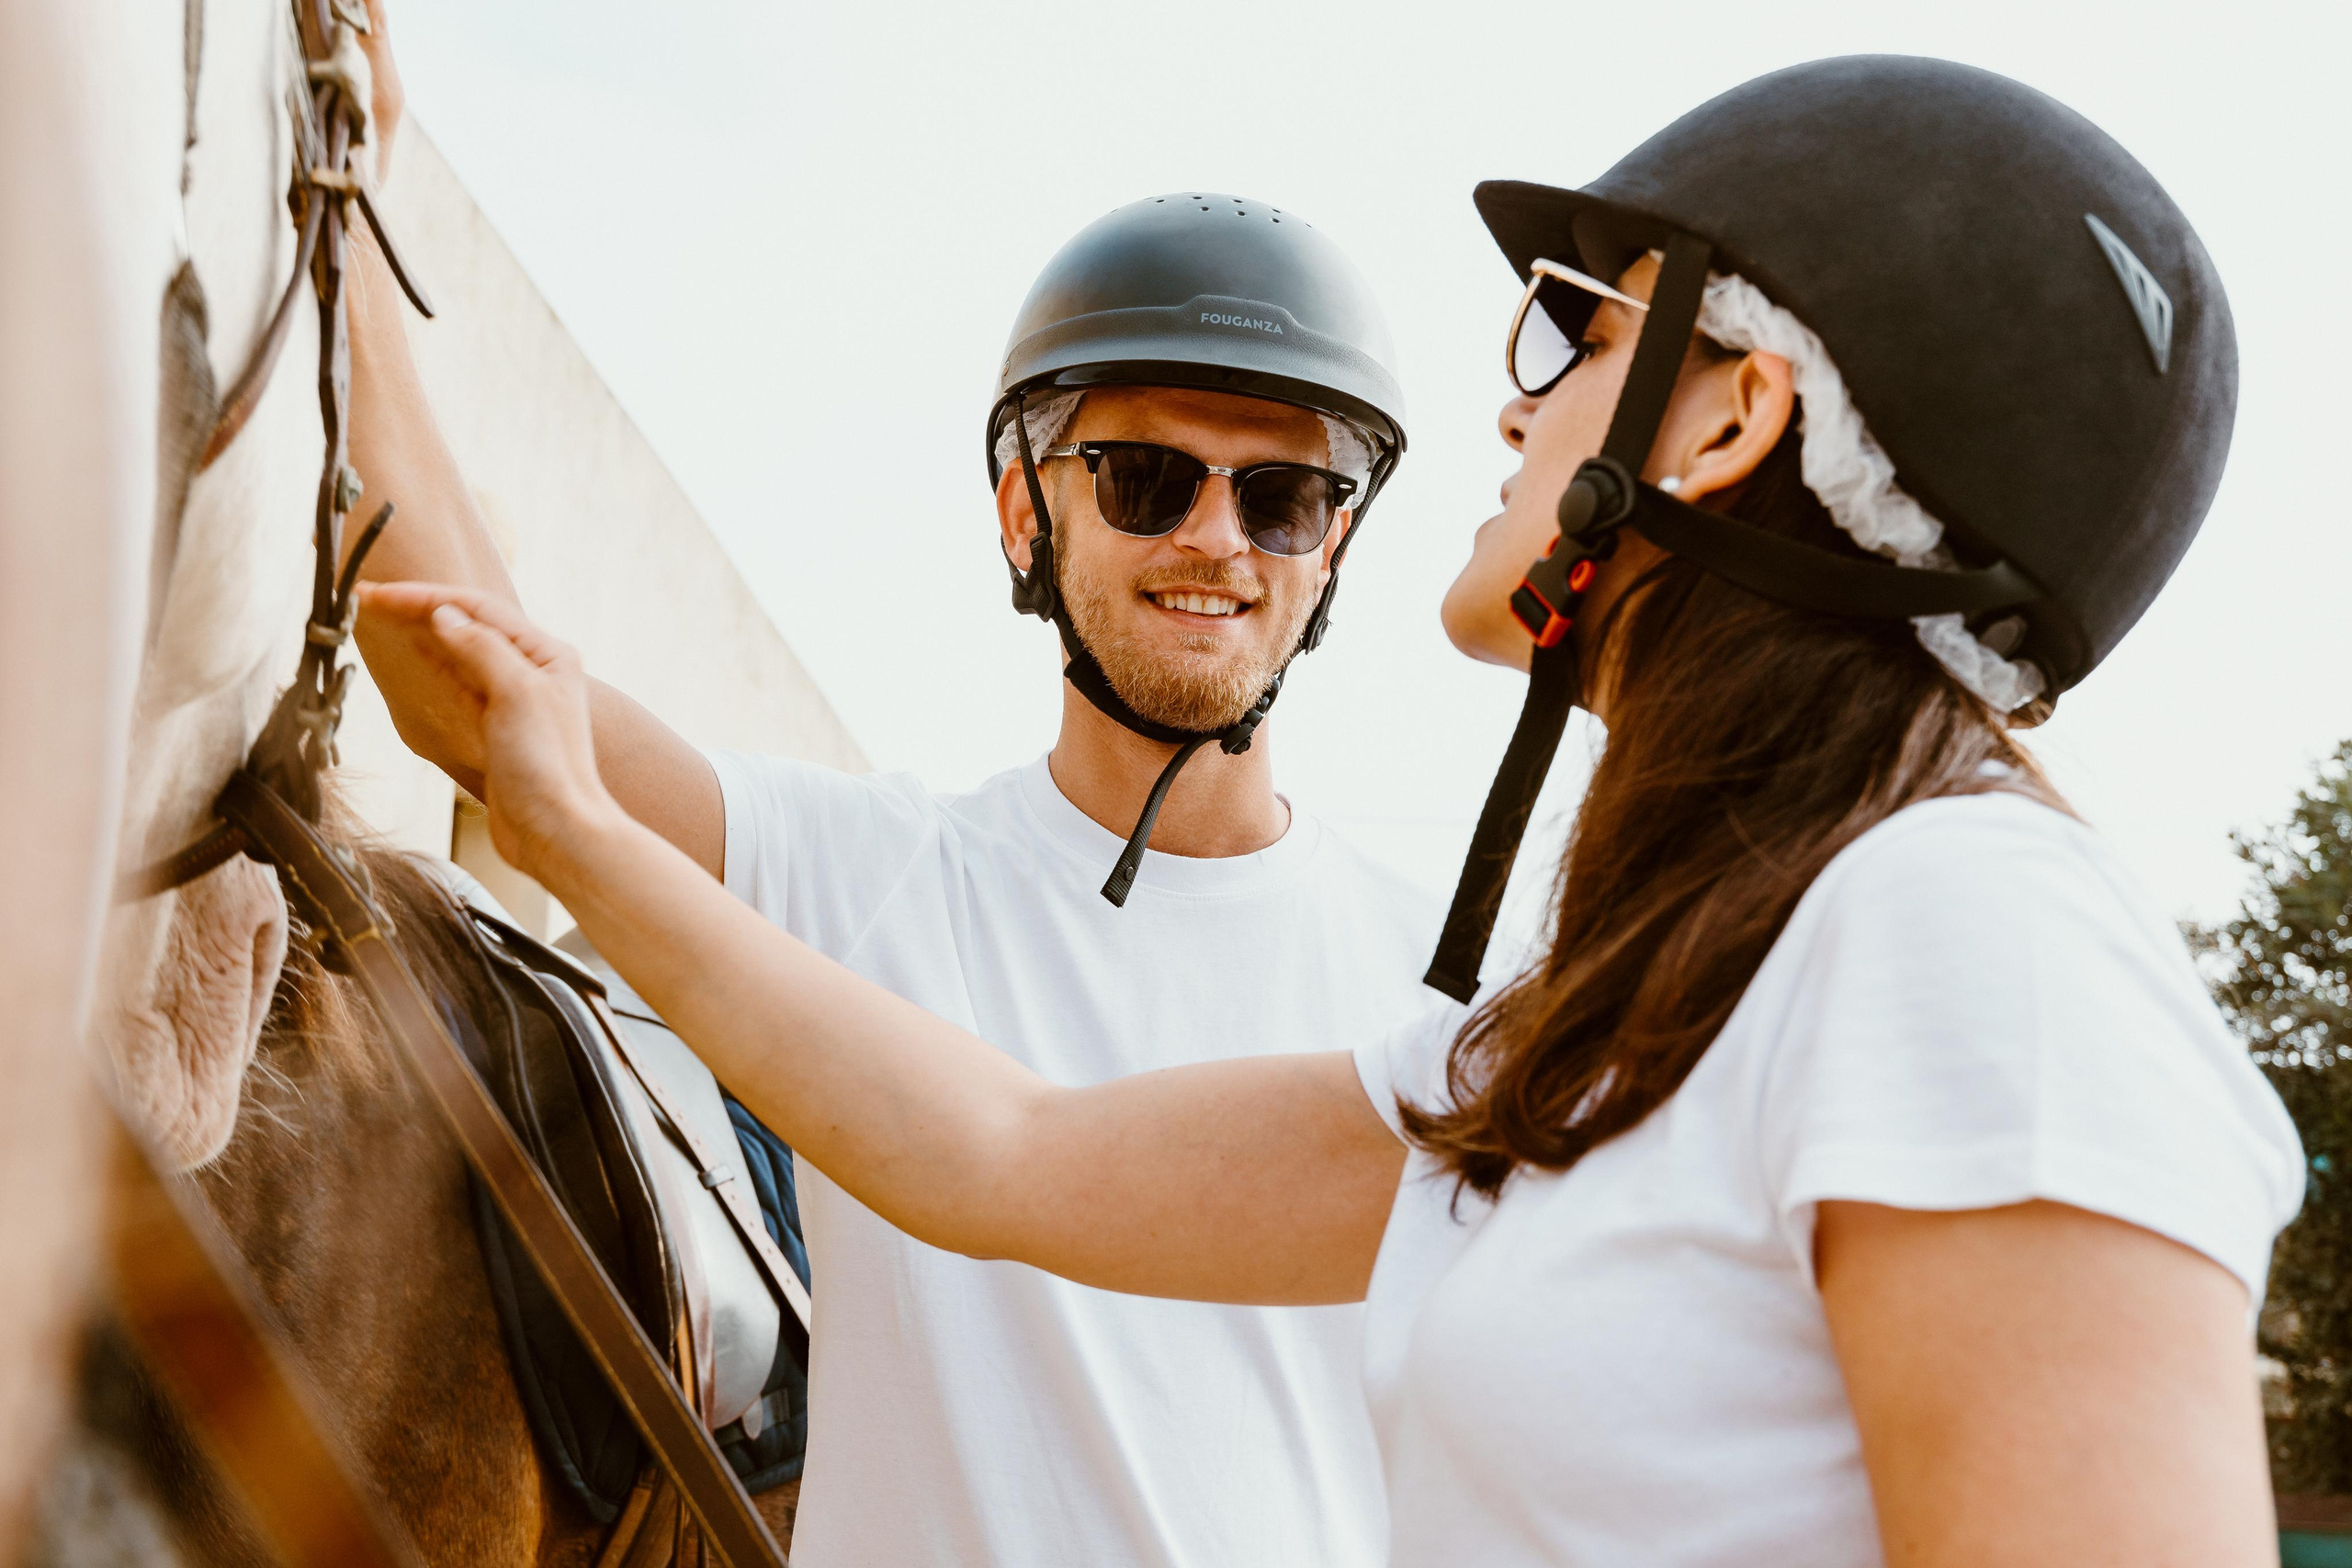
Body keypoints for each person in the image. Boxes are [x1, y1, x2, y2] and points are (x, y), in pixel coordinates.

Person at [366, 55, 2309, 1568]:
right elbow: (1006, 1152)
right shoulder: (1609, 1026)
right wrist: (569, 819)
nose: (1510, 408)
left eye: (1569, 332)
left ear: (1724, 421)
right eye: (1142, 476)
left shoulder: (1969, 942)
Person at [341, 14, 1433, 1564]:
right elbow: (481, 685)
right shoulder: (864, 871)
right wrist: (351, 167)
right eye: (1144, 477)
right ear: (1021, 510)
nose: (1217, 541)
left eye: (1284, 497)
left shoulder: (1454, 972)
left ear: (1335, 547)